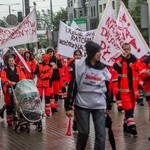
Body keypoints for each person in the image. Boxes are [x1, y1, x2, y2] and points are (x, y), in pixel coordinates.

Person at [65, 41, 112, 150]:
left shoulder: (103, 68)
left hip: (99, 105)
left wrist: (108, 104)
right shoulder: (79, 66)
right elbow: (73, 85)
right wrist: (68, 106)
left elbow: (107, 87)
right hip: (82, 105)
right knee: (84, 132)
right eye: (98, 52)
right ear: (91, 53)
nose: (100, 54)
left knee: (101, 134)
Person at [113, 43, 147, 135]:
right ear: (122, 50)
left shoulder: (135, 60)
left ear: (130, 49)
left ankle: (126, 125)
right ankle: (132, 126)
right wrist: (123, 58)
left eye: (128, 49)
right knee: (127, 107)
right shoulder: (120, 59)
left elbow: (141, 72)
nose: (126, 51)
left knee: (131, 108)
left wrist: (141, 86)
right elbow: (115, 67)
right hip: (123, 90)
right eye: (124, 49)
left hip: (133, 89)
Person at [1, 54, 26, 126]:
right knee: (9, 104)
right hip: (9, 88)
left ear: (14, 61)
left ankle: (20, 118)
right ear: (7, 62)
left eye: (12, 60)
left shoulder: (18, 68)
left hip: (18, 87)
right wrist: (10, 83)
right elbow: (3, 78)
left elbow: (22, 76)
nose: (11, 62)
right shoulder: (5, 69)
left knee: (19, 103)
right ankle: (9, 120)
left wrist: (23, 82)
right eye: (10, 61)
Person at [47, 48, 62, 112]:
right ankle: (52, 106)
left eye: (51, 52)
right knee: (51, 93)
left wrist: (58, 60)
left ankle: (55, 106)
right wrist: (50, 67)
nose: (50, 53)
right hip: (49, 79)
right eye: (49, 52)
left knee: (56, 93)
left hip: (56, 78)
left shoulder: (56, 58)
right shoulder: (46, 60)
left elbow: (60, 66)